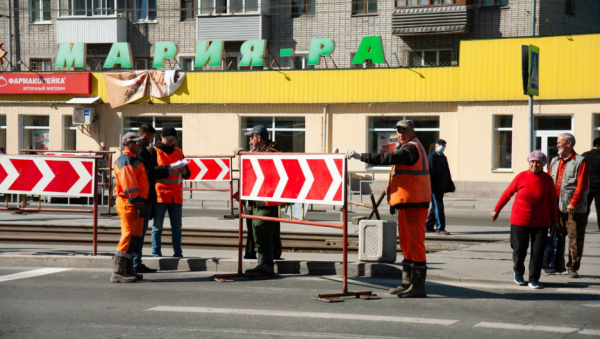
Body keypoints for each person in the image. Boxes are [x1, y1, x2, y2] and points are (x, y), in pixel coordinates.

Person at [346, 119, 431, 298]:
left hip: (415, 204)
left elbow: (389, 157)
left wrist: (361, 156)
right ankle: (407, 283)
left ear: (412, 131)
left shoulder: (411, 148)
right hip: (407, 203)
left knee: (415, 245)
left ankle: (418, 286)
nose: (401, 134)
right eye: (398, 131)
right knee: (407, 246)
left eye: (404, 131)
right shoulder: (407, 148)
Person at [491, 151, 558, 289]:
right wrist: (496, 210)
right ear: (529, 162)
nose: (535, 164)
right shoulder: (521, 176)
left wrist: (554, 221)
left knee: (538, 252)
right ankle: (518, 272)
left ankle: (534, 279)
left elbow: (552, 202)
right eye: (532, 161)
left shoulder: (547, 179)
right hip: (519, 220)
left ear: (543, 164)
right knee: (519, 249)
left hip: (541, 222)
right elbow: (507, 194)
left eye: (538, 162)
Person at [236, 124, 281, 276]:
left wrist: (244, 155)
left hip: (267, 199)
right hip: (259, 199)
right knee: (257, 230)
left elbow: (262, 168)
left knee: (262, 229)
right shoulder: (260, 152)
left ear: (258, 138)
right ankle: (263, 264)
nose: (249, 141)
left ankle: (266, 265)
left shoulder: (271, 153)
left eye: (251, 137)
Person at [133, 124, 178, 272]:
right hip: (148, 196)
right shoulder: (144, 152)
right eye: (151, 138)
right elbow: (148, 172)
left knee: (140, 231)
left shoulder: (140, 152)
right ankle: (135, 262)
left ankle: (135, 262)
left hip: (160, 195)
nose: (152, 141)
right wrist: (166, 170)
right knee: (140, 231)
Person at [547, 133, 589, 278]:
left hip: (574, 210)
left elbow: (581, 185)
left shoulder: (580, 161)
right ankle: (557, 265)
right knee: (557, 236)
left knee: (575, 239)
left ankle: (572, 267)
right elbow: (547, 182)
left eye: (559, 142)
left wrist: (573, 203)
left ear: (569, 144)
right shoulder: (554, 161)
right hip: (557, 207)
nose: (557, 144)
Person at [111, 132, 148, 283]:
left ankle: (127, 269)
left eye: (140, 142)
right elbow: (129, 184)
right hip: (129, 202)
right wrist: (137, 201)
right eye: (137, 142)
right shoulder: (125, 160)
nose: (140, 145)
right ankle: (118, 272)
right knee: (128, 235)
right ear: (127, 143)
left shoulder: (132, 159)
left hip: (135, 202)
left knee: (135, 236)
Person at [150, 126, 191, 258]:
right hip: (160, 194)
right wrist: (167, 169)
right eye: (169, 139)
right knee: (157, 227)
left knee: (177, 227)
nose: (172, 142)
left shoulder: (179, 151)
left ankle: (178, 253)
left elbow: (188, 173)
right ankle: (156, 253)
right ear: (161, 137)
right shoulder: (153, 150)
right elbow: (150, 171)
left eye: (173, 139)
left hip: (176, 195)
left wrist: (185, 172)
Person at [425, 139, 455, 235]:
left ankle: (429, 227)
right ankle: (440, 228)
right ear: (435, 146)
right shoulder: (432, 157)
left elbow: (447, 172)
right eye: (440, 144)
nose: (442, 146)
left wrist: (450, 184)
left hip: (441, 186)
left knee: (435, 207)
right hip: (435, 187)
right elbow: (429, 173)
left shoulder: (443, 157)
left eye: (443, 145)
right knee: (439, 207)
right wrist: (430, 186)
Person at [582, 138, 600, 231]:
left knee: (585, 209)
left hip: (586, 186)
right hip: (599, 188)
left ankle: (582, 228)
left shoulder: (584, 156)